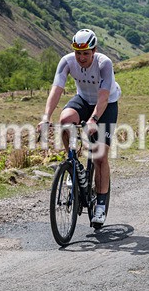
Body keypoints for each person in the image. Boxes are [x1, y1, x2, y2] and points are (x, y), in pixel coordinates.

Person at [38, 29, 121, 225]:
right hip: (83, 99)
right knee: (65, 120)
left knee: (100, 156)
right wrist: (45, 117)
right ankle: (73, 163)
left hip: (106, 104)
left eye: (85, 53)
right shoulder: (67, 61)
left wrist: (93, 120)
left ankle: (100, 205)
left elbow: (103, 95)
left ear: (94, 51)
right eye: (78, 53)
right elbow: (56, 89)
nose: (81, 58)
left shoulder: (104, 64)